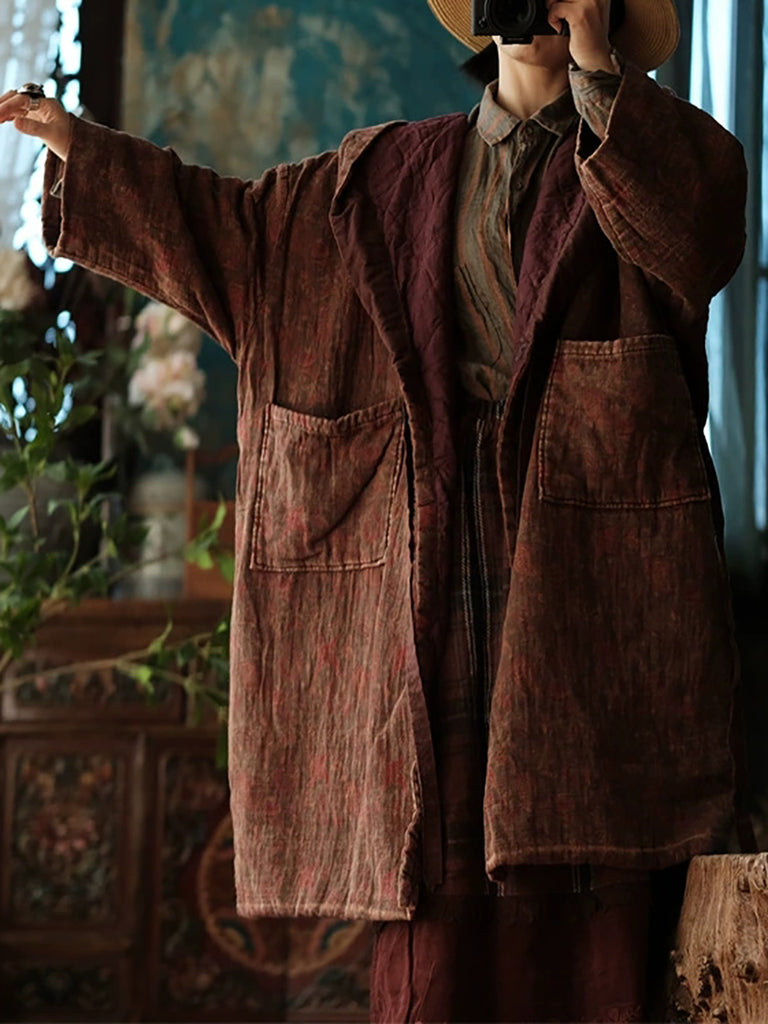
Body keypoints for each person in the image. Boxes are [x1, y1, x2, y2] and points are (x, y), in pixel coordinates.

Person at [0, 0, 754, 1019]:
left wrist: (597, 72)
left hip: (594, 593)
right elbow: (224, 231)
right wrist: (82, 150)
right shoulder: (375, 179)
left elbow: (696, 238)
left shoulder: (654, 159)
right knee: (437, 933)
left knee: (603, 911)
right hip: (425, 585)